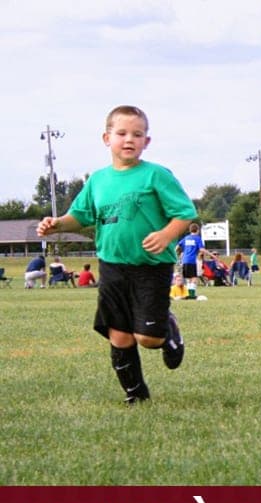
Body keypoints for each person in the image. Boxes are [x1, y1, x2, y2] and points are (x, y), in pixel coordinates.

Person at [37, 105, 194, 404]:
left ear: (146, 141)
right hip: (112, 266)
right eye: (121, 133)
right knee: (119, 335)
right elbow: (80, 215)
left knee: (149, 339)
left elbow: (184, 214)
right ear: (106, 137)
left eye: (137, 134)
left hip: (151, 266)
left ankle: (168, 326)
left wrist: (166, 235)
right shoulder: (98, 180)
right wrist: (56, 224)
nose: (129, 139)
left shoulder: (156, 175)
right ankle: (136, 395)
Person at [179, 221, 203, 294]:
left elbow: (178, 246)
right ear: (198, 230)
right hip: (192, 261)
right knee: (194, 278)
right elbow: (201, 249)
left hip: (184, 260)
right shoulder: (197, 238)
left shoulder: (186, 238)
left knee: (188, 279)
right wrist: (211, 255)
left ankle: (188, 293)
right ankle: (192, 294)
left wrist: (176, 254)